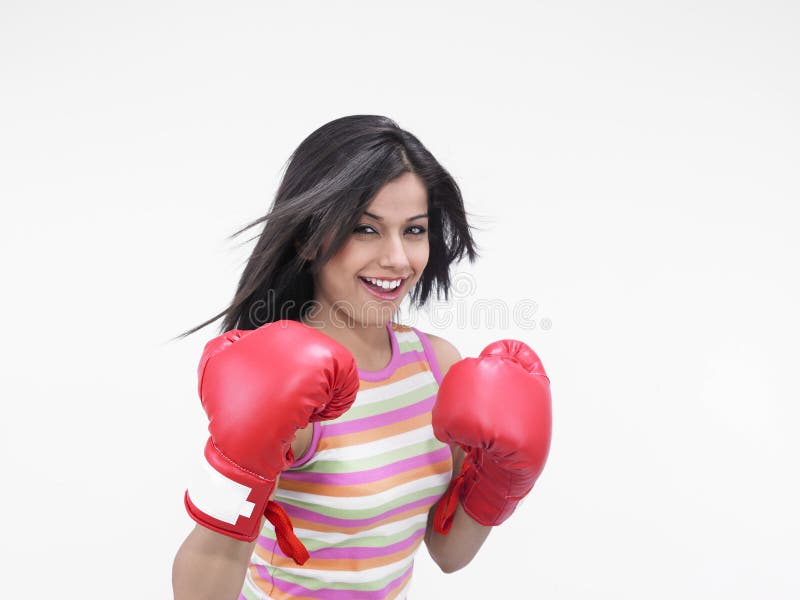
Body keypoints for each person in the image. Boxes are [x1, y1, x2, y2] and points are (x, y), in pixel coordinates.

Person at [171, 115, 552, 599]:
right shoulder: (286, 383)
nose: (397, 258)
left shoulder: (436, 366)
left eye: (414, 230)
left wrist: (498, 480)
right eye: (365, 230)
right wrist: (236, 473)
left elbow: (448, 552)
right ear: (308, 238)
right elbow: (207, 570)